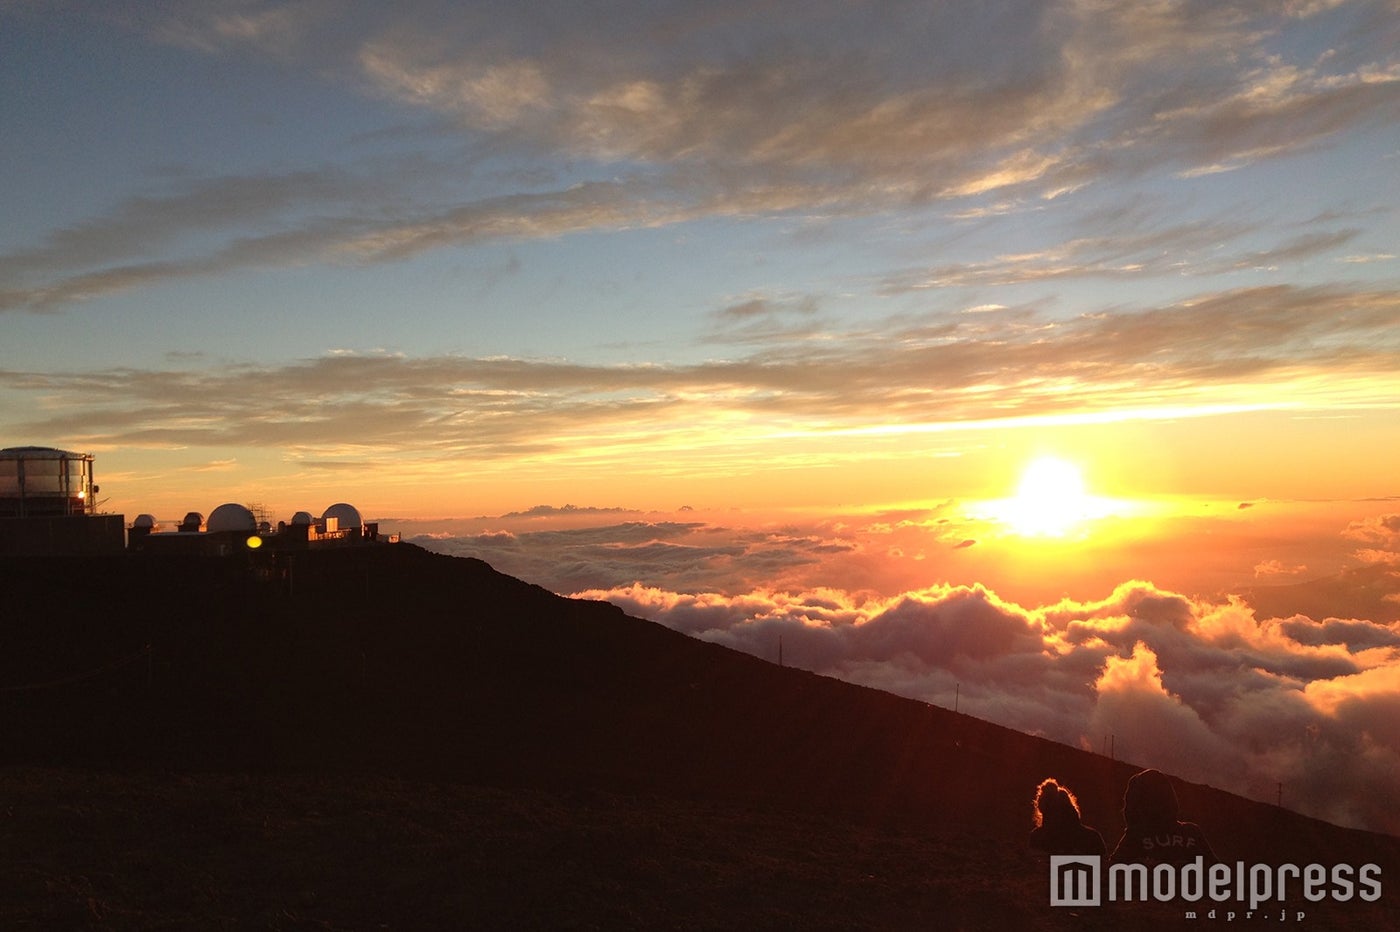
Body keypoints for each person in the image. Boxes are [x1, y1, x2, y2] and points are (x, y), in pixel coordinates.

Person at [1109, 768, 1216, 864]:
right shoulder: (1191, 831)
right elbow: (1218, 872)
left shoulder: (1135, 836)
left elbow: (1111, 870)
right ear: (1170, 797)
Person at [1029, 777, 1106, 857]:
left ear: (1042, 809)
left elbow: (1035, 867)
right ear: (1070, 807)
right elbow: (1103, 866)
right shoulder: (1092, 837)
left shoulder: (1037, 837)